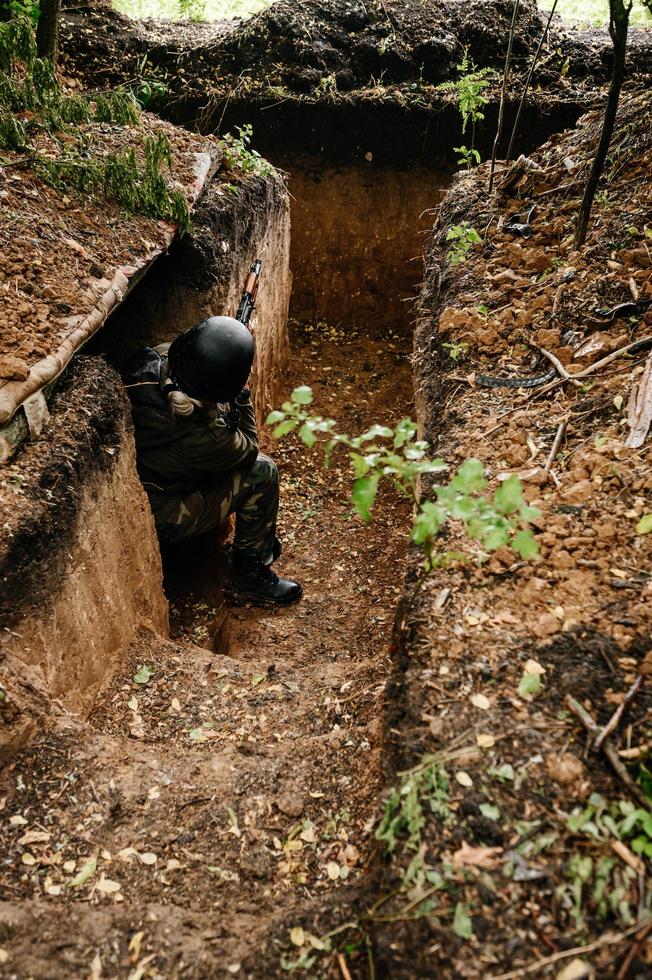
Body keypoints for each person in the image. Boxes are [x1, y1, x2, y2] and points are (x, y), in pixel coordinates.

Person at [121, 315, 302, 606]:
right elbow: (249, 449)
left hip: (150, 483)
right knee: (263, 473)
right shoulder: (209, 438)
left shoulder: (156, 361)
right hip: (165, 514)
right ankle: (249, 578)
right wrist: (241, 395)